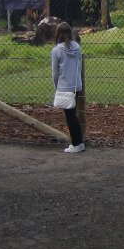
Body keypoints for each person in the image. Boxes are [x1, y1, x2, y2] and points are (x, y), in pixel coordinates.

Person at [51, 21, 85, 153]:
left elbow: (55, 73)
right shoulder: (77, 47)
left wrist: (57, 86)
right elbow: (79, 66)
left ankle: (76, 144)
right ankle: (79, 142)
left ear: (57, 34)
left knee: (70, 117)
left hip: (64, 86)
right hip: (76, 86)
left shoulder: (56, 50)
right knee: (73, 115)